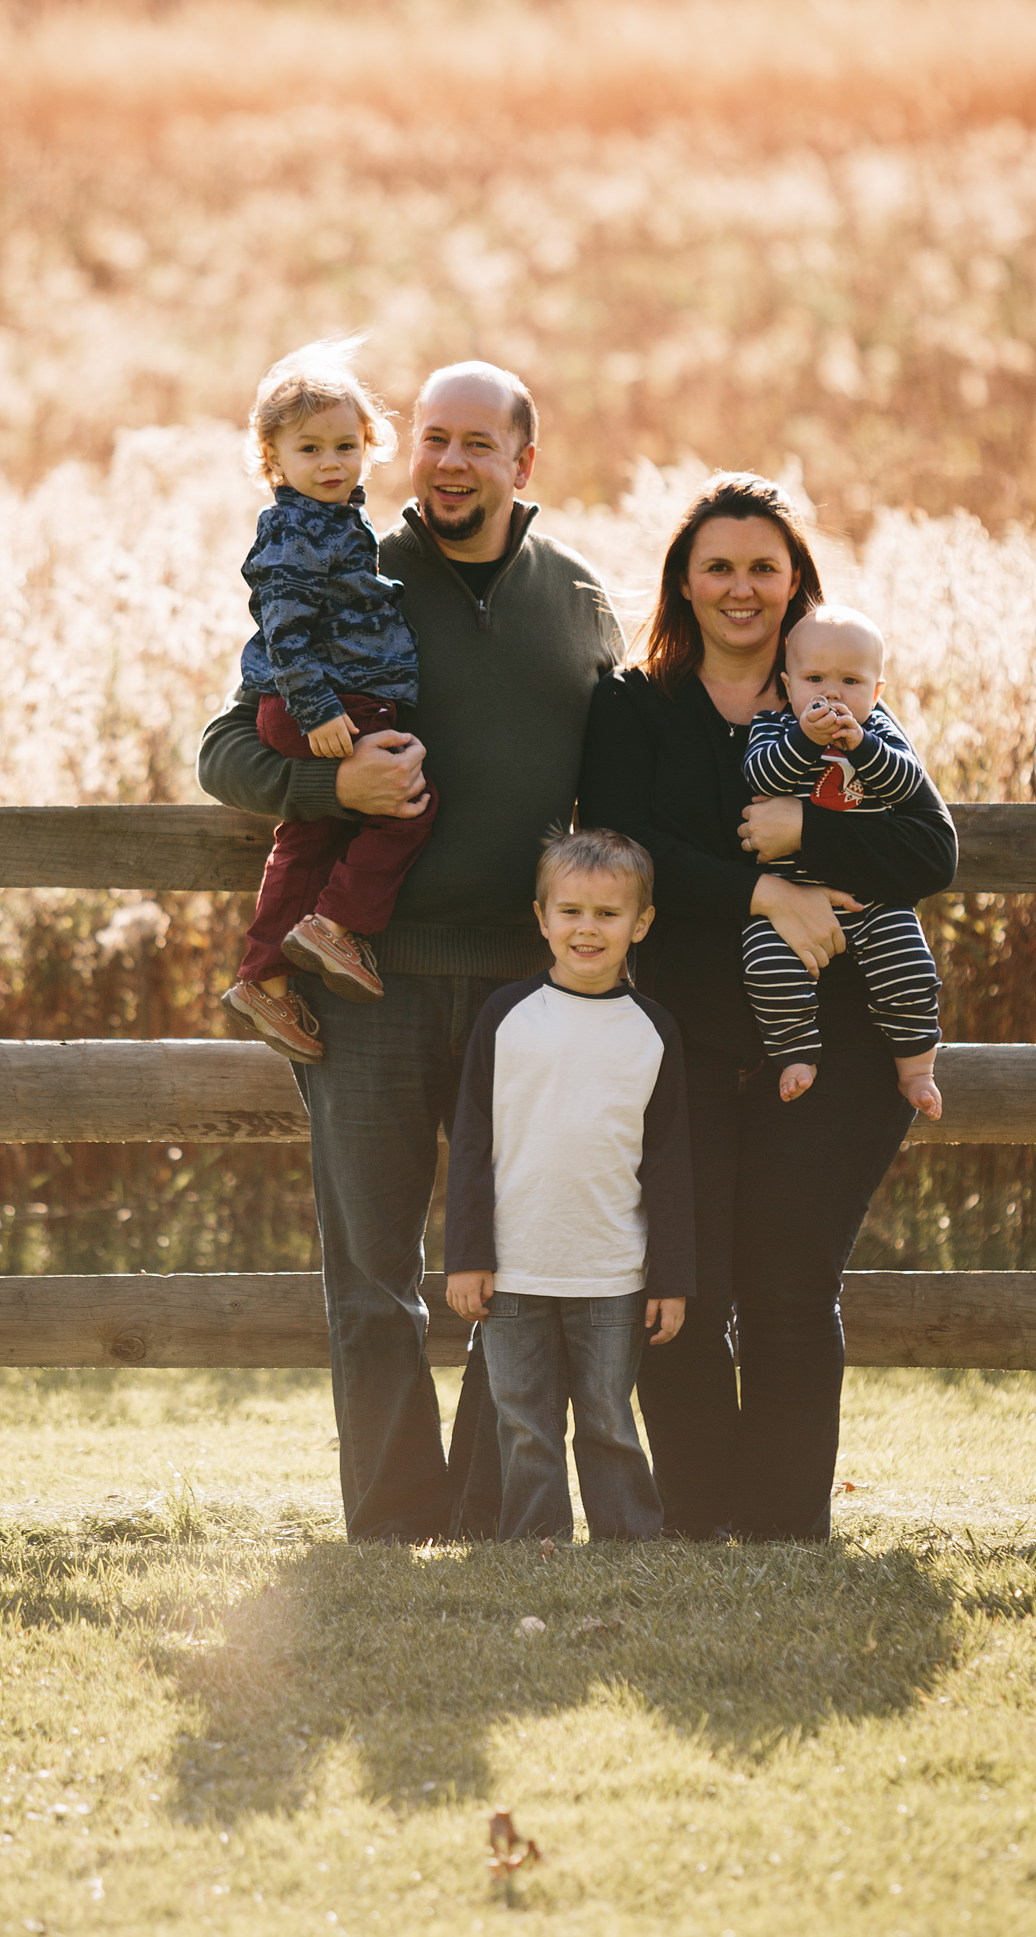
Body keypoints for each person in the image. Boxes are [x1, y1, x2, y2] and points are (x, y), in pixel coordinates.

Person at [197, 359, 624, 1542]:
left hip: (525, 988)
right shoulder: (347, 567)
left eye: (477, 443)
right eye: (433, 437)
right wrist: (331, 777)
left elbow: (621, 785)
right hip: (363, 982)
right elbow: (226, 751)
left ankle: (492, 1511)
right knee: (373, 1276)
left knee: (519, 1267)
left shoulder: (580, 598)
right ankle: (392, 1521)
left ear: (521, 463)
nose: (448, 461)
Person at [579, 472, 957, 1543]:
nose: (741, 587)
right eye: (719, 567)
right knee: (682, 1292)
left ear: (795, 582)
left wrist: (807, 835)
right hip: (681, 1040)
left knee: (791, 1290)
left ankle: (787, 1527)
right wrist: (763, 890)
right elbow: (622, 846)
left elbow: (928, 851)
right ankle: (701, 1522)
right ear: (684, 582)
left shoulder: (841, 703)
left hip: (837, 1042)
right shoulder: (632, 705)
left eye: (763, 566)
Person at [444, 828, 694, 1544]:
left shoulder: (654, 1030)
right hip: (514, 1266)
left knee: (609, 1418)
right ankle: (535, 1539)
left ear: (640, 924)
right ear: (542, 917)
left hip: (614, 1271)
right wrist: (467, 1255)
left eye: (608, 914)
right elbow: (469, 1145)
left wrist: (671, 1277)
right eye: (572, 911)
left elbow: (671, 1164)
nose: (588, 928)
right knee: (523, 1419)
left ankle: (628, 1541)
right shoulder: (507, 1017)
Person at [221, 342, 438, 1062]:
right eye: (309, 449)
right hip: (333, 699)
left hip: (334, 695)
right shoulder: (296, 527)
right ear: (273, 457)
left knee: (308, 838)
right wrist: (318, 710)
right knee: (408, 804)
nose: (331, 462)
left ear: (369, 446)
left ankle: (264, 978)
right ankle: (337, 925)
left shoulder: (339, 521)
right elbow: (284, 626)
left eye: (346, 445)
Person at [740, 603, 942, 1115]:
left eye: (850, 681)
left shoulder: (883, 737)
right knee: (765, 965)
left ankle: (917, 1066)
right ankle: (795, 1053)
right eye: (814, 678)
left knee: (910, 965)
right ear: (788, 686)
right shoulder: (773, 727)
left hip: (870, 898)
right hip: (787, 898)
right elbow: (762, 778)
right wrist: (804, 741)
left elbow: (909, 788)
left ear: (876, 693)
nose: (831, 693)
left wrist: (866, 748)